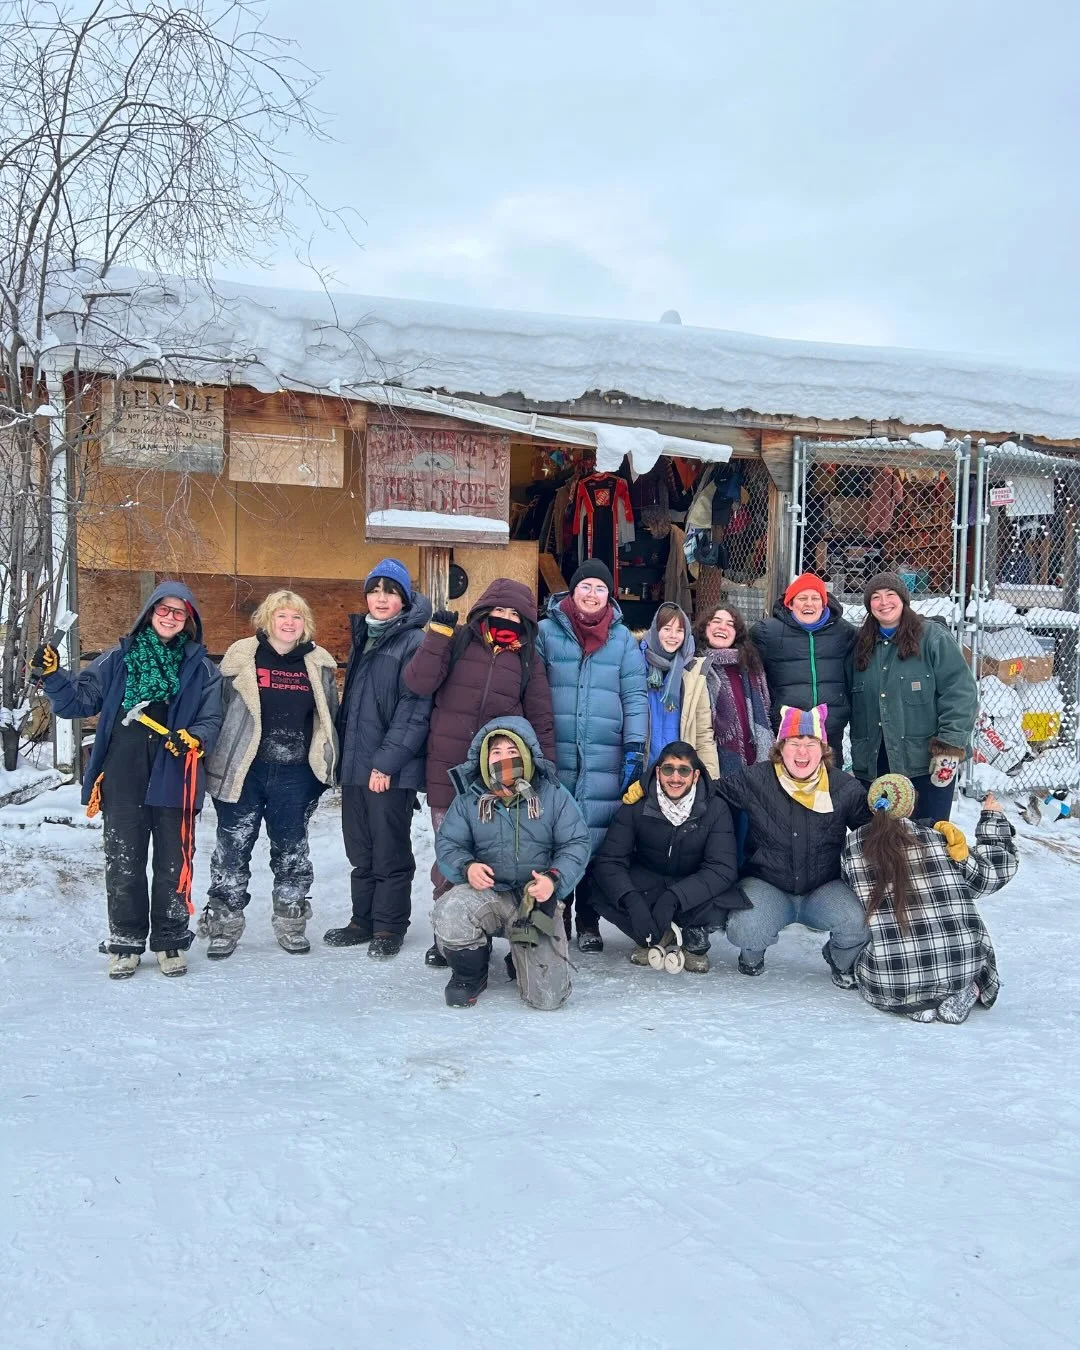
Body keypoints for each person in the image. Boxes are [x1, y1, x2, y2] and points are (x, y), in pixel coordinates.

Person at [35, 583, 222, 978]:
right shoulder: (118, 659)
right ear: (149, 612)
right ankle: (125, 941)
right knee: (124, 862)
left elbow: (212, 718)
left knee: (174, 863)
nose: (170, 617)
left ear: (189, 620)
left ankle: (170, 940)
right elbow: (77, 703)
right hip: (123, 772)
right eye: (163, 609)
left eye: (179, 612)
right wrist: (54, 677)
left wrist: (196, 736)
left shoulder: (202, 668)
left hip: (176, 773)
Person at [403, 578, 555, 967]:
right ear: (484, 611)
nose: (505, 618)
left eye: (514, 614)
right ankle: (449, 935)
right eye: (499, 610)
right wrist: (436, 636)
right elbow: (419, 681)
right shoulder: (457, 642)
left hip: (497, 779)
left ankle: (485, 930)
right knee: (450, 857)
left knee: (490, 857)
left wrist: (545, 768)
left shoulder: (527, 660)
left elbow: (540, 718)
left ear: (525, 620)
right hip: (446, 769)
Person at [200, 590, 339, 959]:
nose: (289, 623)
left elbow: (329, 719)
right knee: (232, 850)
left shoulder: (319, 663)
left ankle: (291, 922)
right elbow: (218, 711)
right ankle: (224, 925)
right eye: (281, 616)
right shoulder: (241, 656)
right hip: (243, 770)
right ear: (267, 620)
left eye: (296, 617)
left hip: (295, 774)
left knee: (292, 853)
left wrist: (323, 768)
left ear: (305, 623)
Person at [433, 718, 590, 1009]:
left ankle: (520, 955)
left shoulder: (553, 795)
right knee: (451, 909)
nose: (504, 758)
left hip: (536, 900)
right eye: (496, 752)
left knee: (548, 998)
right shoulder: (470, 798)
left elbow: (576, 843)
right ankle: (470, 974)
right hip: (489, 895)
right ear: (484, 758)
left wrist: (553, 879)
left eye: (512, 751)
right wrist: (467, 866)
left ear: (527, 755)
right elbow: (449, 843)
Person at [536, 560, 649, 952]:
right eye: (585, 586)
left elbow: (635, 696)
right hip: (557, 752)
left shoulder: (622, 640)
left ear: (609, 595)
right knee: (555, 836)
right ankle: (557, 917)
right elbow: (533, 689)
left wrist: (635, 747)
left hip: (605, 753)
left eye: (601, 588)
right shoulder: (546, 632)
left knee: (595, 839)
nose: (592, 594)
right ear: (572, 591)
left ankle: (588, 919)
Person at [323, 559, 432, 959]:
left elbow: (413, 711)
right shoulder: (365, 637)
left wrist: (385, 763)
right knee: (360, 849)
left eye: (390, 592)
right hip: (356, 764)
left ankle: (389, 925)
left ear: (403, 599)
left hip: (388, 769)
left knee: (389, 849)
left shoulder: (414, 642)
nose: (381, 599)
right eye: (374, 591)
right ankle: (362, 920)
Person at [841, 776, 1018, 1023]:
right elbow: (990, 876)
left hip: (891, 979)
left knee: (876, 961)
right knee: (966, 952)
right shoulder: (940, 839)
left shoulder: (851, 847)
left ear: (872, 807)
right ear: (911, 807)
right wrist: (992, 818)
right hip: (961, 962)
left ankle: (914, 1002)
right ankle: (966, 988)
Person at [717, 704, 872, 981]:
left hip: (823, 887)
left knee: (858, 923)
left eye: (811, 743)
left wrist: (911, 817)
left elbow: (875, 828)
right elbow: (708, 792)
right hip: (768, 884)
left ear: (823, 750)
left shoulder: (844, 787)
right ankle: (752, 956)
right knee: (746, 927)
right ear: (781, 748)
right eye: (794, 743)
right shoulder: (755, 779)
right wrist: (655, 785)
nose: (802, 752)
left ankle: (840, 961)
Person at [591, 741, 745, 973]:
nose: (675, 777)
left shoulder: (715, 808)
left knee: (723, 896)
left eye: (683, 770)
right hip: (650, 880)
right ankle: (652, 933)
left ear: (695, 776)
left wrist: (675, 897)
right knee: (598, 887)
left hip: (692, 884)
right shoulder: (637, 804)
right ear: (658, 772)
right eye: (668, 769)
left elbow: (721, 867)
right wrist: (632, 901)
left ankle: (693, 937)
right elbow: (610, 860)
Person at [849, 573, 979, 821]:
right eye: (875, 597)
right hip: (875, 764)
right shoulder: (860, 645)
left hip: (925, 763)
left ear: (903, 600)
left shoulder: (932, 637)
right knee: (880, 837)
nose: (883, 602)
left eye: (890, 595)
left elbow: (960, 692)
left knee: (928, 835)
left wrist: (949, 747)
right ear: (869, 605)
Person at [751, 572, 855, 750]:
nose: (809, 603)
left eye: (815, 598)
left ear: (823, 604)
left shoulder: (843, 632)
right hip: (786, 726)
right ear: (790, 604)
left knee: (830, 768)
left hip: (830, 725)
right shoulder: (767, 632)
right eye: (802, 598)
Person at [639, 603, 719, 778]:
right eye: (667, 629)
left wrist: (711, 781)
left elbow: (703, 733)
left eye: (679, 630)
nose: (673, 636)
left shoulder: (693, 672)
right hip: (643, 770)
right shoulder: (637, 664)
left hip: (678, 775)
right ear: (656, 631)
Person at [696, 605, 773, 775]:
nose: (722, 627)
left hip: (755, 759)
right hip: (712, 759)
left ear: (737, 633)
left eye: (730, 624)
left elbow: (766, 706)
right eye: (716, 621)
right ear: (704, 628)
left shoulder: (750, 665)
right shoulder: (694, 667)